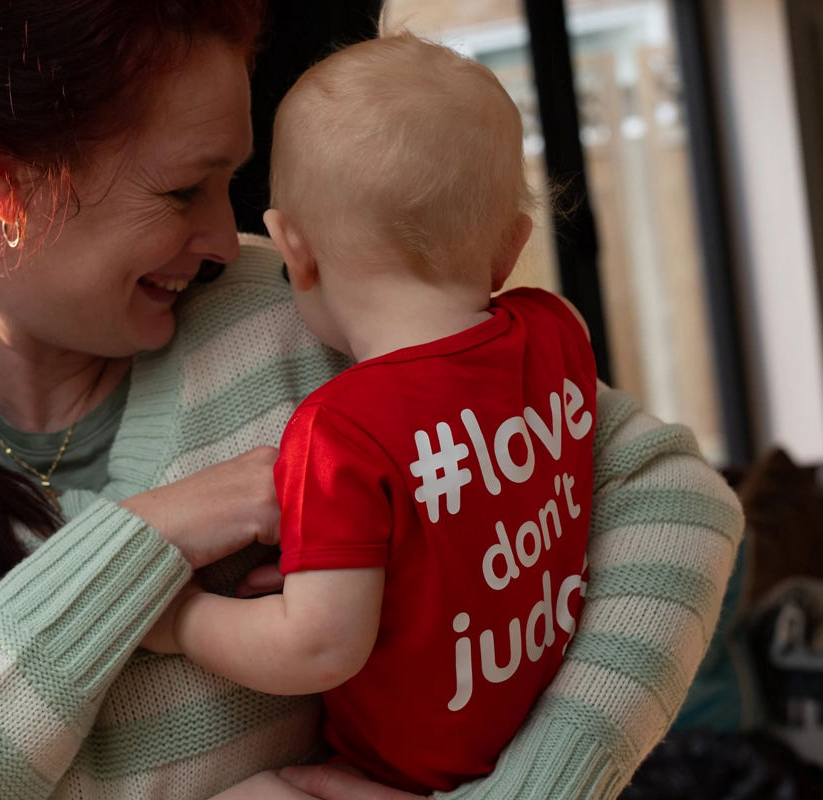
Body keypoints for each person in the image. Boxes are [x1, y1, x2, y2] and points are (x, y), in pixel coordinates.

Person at [0, 1, 744, 798]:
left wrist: (537, 784)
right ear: (5, 185)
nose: (219, 236)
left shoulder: (301, 313)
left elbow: (672, 501)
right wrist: (143, 540)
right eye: (182, 189)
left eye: (233, 183)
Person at [143, 35, 597, 794]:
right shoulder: (556, 333)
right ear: (513, 247)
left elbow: (317, 651)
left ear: (292, 247)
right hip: (525, 729)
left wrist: (181, 622)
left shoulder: (339, 433)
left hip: (395, 775)